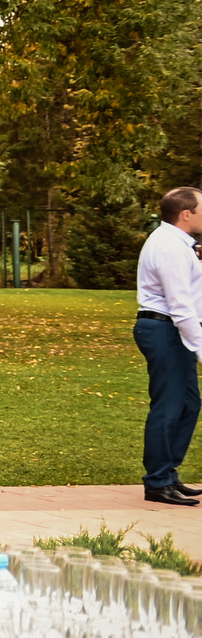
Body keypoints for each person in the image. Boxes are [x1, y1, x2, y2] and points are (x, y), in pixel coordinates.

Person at [134, 187, 202, 505]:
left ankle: (167, 474)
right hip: (166, 330)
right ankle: (158, 481)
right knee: (169, 406)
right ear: (186, 214)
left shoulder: (178, 244)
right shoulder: (171, 247)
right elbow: (180, 305)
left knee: (188, 404)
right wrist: (200, 348)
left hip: (171, 330)